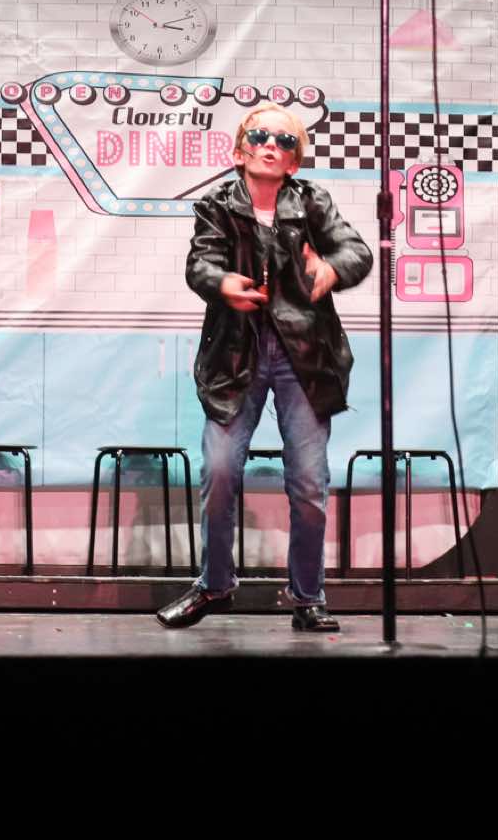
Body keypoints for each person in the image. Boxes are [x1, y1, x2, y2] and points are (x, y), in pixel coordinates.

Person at [156, 104, 371, 631]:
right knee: (220, 470)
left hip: (305, 356)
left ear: (294, 162)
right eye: (259, 136)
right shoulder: (216, 205)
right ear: (240, 151)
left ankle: (308, 598)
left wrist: (331, 268)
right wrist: (222, 283)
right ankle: (215, 586)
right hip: (236, 355)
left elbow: (356, 251)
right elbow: (200, 264)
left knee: (309, 483)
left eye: (285, 140)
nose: (271, 144)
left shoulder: (312, 201)